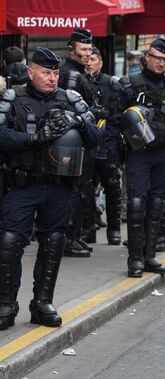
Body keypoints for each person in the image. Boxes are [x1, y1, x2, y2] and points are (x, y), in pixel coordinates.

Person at [0, 47, 100, 330]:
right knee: (9, 243)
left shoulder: (71, 99)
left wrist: (79, 121)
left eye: (55, 73)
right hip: (23, 184)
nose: (52, 78)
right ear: (31, 72)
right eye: (46, 72)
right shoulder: (13, 97)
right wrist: (32, 139)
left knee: (53, 242)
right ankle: (6, 304)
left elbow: (96, 137)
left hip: (58, 186)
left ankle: (42, 302)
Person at [108, 37, 165, 277]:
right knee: (136, 204)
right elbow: (114, 123)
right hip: (138, 154)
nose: (161, 63)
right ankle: (135, 259)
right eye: (157, 58)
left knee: (157, 205)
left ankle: (149, 255)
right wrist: (112, 157)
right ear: (147, 57)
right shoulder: (129, 85)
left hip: (164, 152)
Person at [59, 28, 98, 258]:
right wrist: (94, 112)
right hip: (76, 142)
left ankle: (73, 236)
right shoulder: (72, 75)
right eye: (82, 49)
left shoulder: (79, 72)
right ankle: (67, 239)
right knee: (76, 192)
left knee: (83, 192)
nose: (86, 53)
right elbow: (71, 110)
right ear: (71, 50)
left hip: (84, 139)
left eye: (89, 49)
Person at [81, 47, 122, 246]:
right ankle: (88, 229)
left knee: (112, 187)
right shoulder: (79, 82)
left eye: (93, 59)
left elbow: (116, 118)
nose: (89, 62)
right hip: (86, 145)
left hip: (107, 145)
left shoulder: (111, 84)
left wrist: (113, 146)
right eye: (86, 59)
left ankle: (114, 230)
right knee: (85, 189)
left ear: (101, 62)